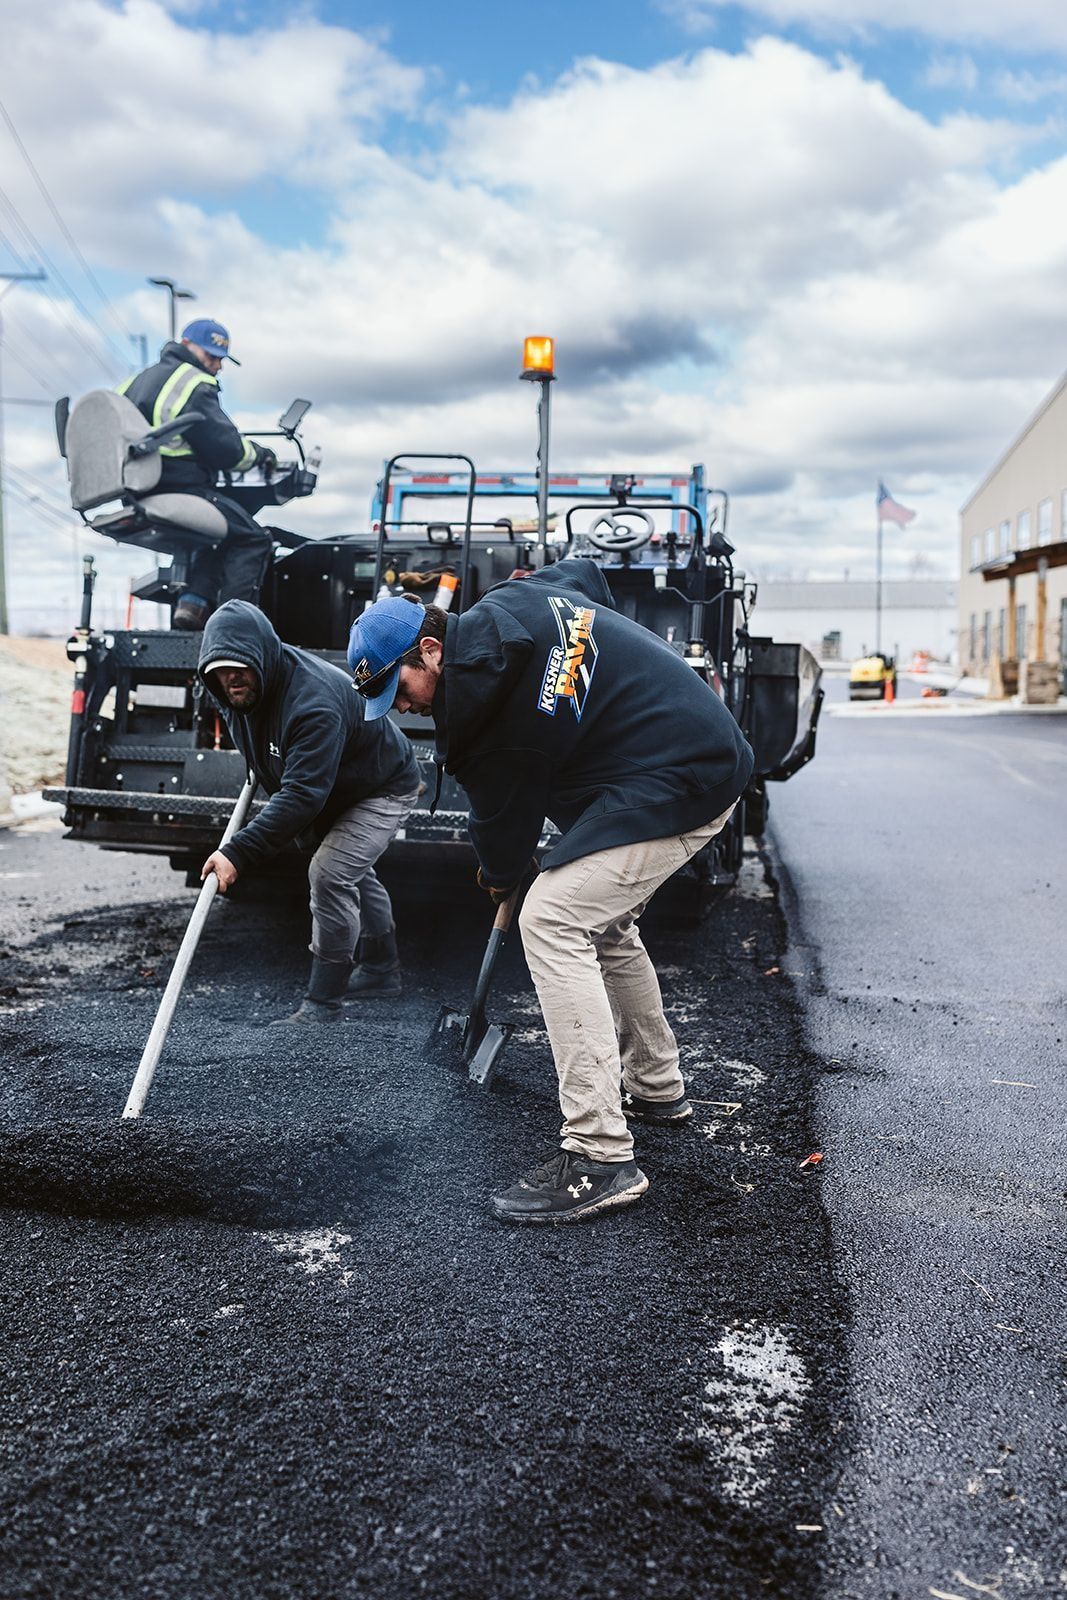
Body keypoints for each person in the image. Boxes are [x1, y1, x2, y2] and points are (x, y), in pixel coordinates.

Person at [347, 558, 754, 1224]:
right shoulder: (519, 597)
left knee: (551, 919)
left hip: (682, 775)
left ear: (431, 647)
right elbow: (586, 575)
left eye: (401, 685)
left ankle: (598, 1153)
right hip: (691, 749)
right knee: (604, 921)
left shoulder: (485, 722)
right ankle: (655, 1087)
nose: (401, 704)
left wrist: (501, 880)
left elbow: (501, 835)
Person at [198, 600, 421, 1020]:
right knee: (351, 869)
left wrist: (237, 852)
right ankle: (380, 970)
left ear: (262, 655)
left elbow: (302, 794)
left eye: (239, 667)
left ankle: (323, 1003)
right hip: (338, 782)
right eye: (218, 671)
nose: (230, 678)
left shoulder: (312, 701)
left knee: (330, 873)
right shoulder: (233, 691)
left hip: (382, 784)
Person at [119, 319, 276, 630]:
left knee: (218, 532)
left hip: (136, 486)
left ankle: (192, 604)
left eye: (220, 359)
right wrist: (261, 455)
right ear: (187, 345)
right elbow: (226, 450)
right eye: (211, 356)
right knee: (254, 539)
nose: (217, 366)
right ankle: (236, 631)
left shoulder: (137, 381)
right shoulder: (192, 383)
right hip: (175, 485)